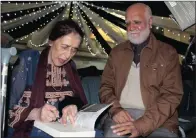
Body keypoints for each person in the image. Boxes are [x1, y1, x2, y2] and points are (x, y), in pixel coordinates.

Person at [99, 3, 183, 138]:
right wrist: (115, 110)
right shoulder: (116, 52)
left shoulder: (168, 53)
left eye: (137, 22)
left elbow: (172, 95)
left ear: (150, 22)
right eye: (128, 23)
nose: (131, 28)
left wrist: (141, 125)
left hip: (159, 120)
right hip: (122, 115)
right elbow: (106, 87)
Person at [7, 19, 88, 138]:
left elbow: (75, 99)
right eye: (64, 47)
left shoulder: (70, 67)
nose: (67, 55)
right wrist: (35, 113)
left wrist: (71, 106)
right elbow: (6, 109)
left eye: (73, 50)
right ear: (51, 41)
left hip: (61, 129)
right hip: (28, 128)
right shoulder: (29, 61)